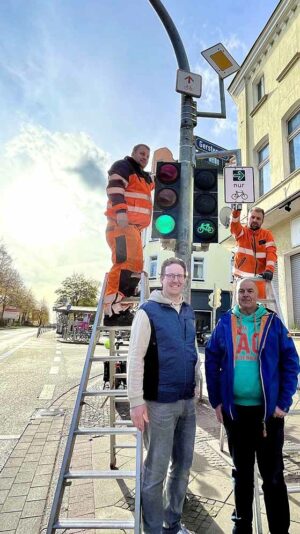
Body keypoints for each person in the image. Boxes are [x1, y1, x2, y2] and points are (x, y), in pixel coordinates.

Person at [205, 278, 299, 534]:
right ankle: (241, 524)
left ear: (257, 295)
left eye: (250, 291)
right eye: (241, 291)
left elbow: (291, 363)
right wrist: (216, 401)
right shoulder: (225, 323)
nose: (245, 295)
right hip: (235, 413)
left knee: (273, 476)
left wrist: (283, 403)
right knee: (242, 473)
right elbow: (211, 362)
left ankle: (279, 529)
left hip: (268, 415)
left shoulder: (273, 323)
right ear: (235, 295)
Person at [128, 257, 199, 534]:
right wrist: (136, 402)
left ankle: (173, 524)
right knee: (155, 471)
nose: (175, 280)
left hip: (186, 403)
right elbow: (135, 358)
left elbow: (192, 351)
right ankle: (153, 529)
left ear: (185, 279)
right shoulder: (148, 311)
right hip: (158, 404)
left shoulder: (189, 311)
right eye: (170, 275)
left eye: (180, 276)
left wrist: (198, 384)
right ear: (162, 278)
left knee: (182, 467)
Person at [103, 144, 154, 326]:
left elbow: (156, 181)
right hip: (122, 224)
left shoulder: (143, 177)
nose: (145, 157)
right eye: (142, 153)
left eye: (147, 156)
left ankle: (121, 309)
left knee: (134, 266)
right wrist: (121, 212)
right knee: (124, 263)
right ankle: (111, 311)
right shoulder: (124, 167)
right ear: (133, 153)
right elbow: (115, 186)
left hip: (133, 229)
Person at [230, 206, 277, 297]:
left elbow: (271, 253)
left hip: (260, 280)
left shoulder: (267, 235)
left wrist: (269, 270)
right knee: (242, 309)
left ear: (262, 221)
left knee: (260, 309)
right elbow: (234, 225)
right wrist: (236, 211)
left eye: (258, 218)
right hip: (241, 280)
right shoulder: (241, 232)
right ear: (248, 218)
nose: (255, 220)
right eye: (253, 217)